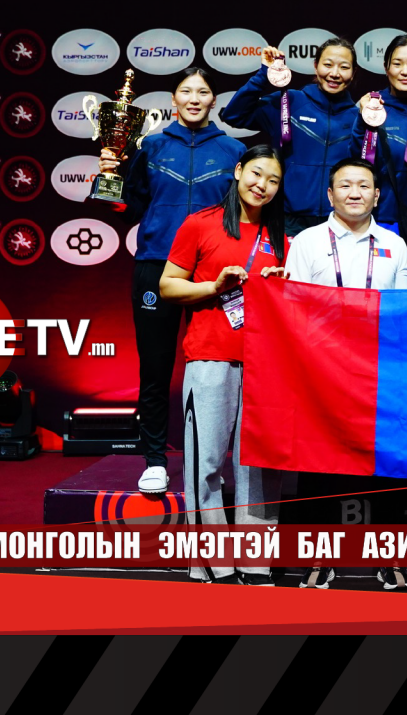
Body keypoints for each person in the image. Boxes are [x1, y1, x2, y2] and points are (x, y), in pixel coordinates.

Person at [95, 66, 244, 495]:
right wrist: (109, 176)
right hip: (157, 265)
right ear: (173, 100)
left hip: (213, 273)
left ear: (213, 100)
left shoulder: (234, 150)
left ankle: (216, 460)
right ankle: (156, 460)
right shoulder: (150, 146)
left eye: (203, 92)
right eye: (186, 91)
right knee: (155, 368)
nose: (194, 99)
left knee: (221, 372)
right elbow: (129, 206)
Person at [279, 157, 407, 590]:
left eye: (364, 185)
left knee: (387, 467)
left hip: (380, 371)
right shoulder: (306, 242)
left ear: (377, 195)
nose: (355, 193)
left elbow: (403, 311)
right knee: (320, 467)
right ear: (330, 194)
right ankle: (319, 558)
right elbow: (293, 307)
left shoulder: (395, 244)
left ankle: (390, 558)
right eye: (345, 185)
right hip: (322, 371)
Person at [160, 144, 289, 584]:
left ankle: (256, 563)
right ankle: (212, 565)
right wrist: (213, 286)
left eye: (273, 180)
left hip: (265, 365)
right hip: (210, 357)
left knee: (259, 467)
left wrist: (281, 285)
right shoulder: (201, 224)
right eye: (256, 174)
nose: (262, 186)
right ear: (237, 171)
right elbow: (168, 286)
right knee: (206, 465)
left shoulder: (282, 235)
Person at [221, 37, 358, 235]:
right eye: (328, 65)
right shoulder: (290, 102)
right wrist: (263, 74)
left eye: (344, 67)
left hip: (339, 220)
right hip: (287, 220)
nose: (335, 73)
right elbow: (234, 115)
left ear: (353, 73)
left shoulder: (358, 117)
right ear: (315, 66)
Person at [349, 34, 407, 250]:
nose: (405, 71)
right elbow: (357, 160)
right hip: (382, 216)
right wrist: (362, 119)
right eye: (397, 64)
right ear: (386, 68)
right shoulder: (371, 106)